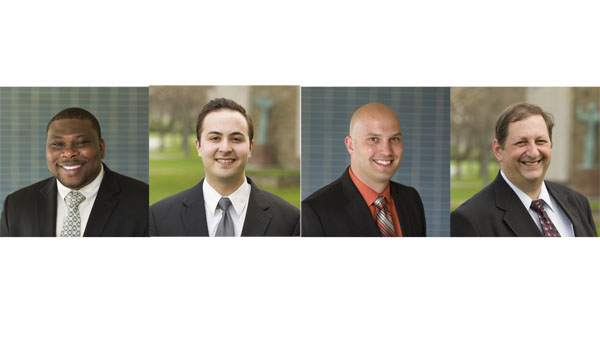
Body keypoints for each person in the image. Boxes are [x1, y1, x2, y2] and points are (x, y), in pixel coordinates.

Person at [149, 98, 299, 236]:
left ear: (250, 148)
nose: (225, 148)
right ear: (199, 147)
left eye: (236, 139)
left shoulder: (291, 220)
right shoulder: (158, 218)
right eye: (215, 138)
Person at [451, 102, 597, 237]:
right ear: (498, 150)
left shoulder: (578, 203)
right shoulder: (470, 220)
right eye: (521, 142)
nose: (533, 152)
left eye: (540, 141)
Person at [1, 107, 149, 237]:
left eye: (81, 143)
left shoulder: (143, 202)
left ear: (101, 147)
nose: (68, 153)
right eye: (58, 144)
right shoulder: (16, 205)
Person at [302, 102, 426, 237]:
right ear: (350, 145)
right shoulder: (315, 212)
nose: (386, 151)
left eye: (394, 139)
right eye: (373, 139)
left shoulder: (411, 199)